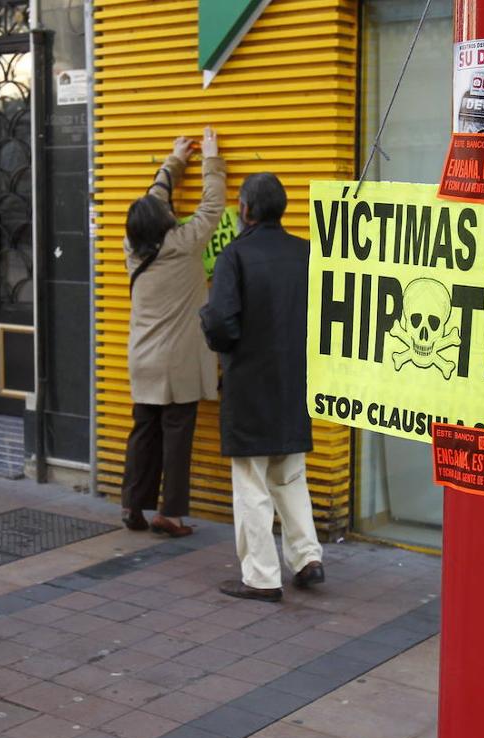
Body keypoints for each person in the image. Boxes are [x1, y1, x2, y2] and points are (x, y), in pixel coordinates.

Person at [200, 172, 323, 603]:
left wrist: (216, 336)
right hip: (294, 381)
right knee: (289, 475)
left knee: (251, 482)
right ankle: (307, 558)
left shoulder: (236, 256)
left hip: (250, 383)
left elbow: (220, 321)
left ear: (246, 210)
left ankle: (262, 577)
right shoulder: (305, 253)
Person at [121, 127, 226, 538]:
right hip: (178, 361)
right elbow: (212, 206)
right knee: (177, 436)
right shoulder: (184, 243)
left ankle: (133, 504)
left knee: (143, 432)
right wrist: (210, 159)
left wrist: (173, 162)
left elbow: (153, 203)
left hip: (142, 359)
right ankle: (171, 514)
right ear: (165, 223)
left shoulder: (133, 248)